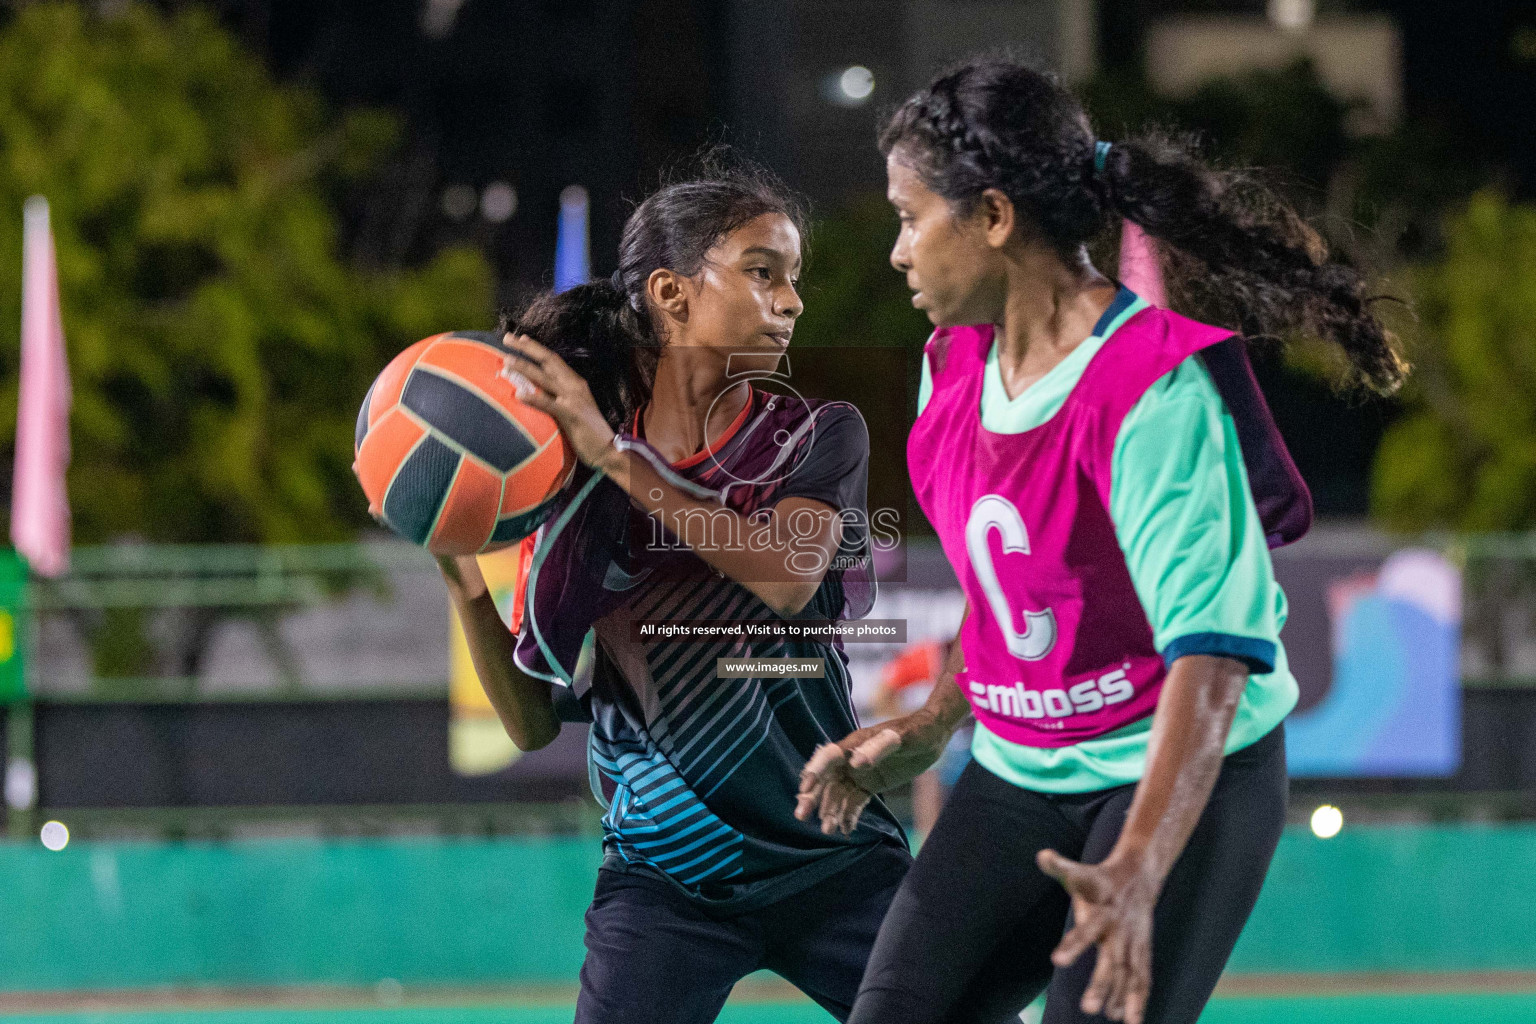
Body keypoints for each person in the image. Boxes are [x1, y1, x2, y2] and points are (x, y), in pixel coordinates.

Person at [795, 58, 1405, 1024]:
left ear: (993, 217)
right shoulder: (949, 370)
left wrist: (1136, 868)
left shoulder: (1151, 394)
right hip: (1023, 770)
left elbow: (1211, 665)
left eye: (911, 219)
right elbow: (1010, 610)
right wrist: (925, 731)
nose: (898, 253)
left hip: (1180, 778)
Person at [437, 161, 910, 1024]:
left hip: (836, 860)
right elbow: (530, 720)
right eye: (763, 272)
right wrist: (459, 573)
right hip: (666, 880)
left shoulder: (816, 435)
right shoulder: (577, 498)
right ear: (672, 293)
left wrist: (621, 461)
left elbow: (784, 575)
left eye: (793, 279)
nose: (791, 301)